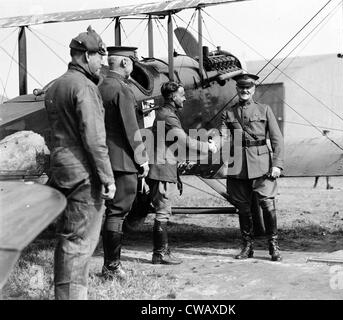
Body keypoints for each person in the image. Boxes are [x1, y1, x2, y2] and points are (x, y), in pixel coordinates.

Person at [45, 26, 116, 299]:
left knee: (67, 239)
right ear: (86, 56)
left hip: (61, 169)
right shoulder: (85, 87)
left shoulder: (56, 85)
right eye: (100, 55)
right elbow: (95, 139)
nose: (102, 62)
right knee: (80, 243)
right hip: (83, 174)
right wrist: (108, 178)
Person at [147, 81, 218, 265]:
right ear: (172, 96)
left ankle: (162, 252)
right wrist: (207, 147)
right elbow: (184, 140)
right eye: (182, 94)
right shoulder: (168, 116)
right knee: (162, 212)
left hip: (164, 167)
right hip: (162, 169)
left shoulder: (166, 114)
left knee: (163, 211)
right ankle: (160, 254)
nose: (185, 98)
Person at [219, 73, 284, 261]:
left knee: (267, 204)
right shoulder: (229, 113)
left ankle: (274, 246)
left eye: (248, 87)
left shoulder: (264, 110)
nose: (245, 90)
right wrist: (211, 143)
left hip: (262, 165)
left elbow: (277, 139)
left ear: (254, 89)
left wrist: (277, 164)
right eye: (241, 87)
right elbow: (222, 135)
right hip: (238, 166)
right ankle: (247, 247)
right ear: (237, 89)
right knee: (243, 208)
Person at [98, 46, 149, 280]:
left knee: (110, 212)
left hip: (103, 159)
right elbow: (132, 130)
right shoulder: (122, 89)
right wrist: (143, 160)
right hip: (123, 162)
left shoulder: (100, 87)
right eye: (132, 63)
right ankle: (111, 267)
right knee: (118, 212)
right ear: (126, 63)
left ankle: (109, 265)